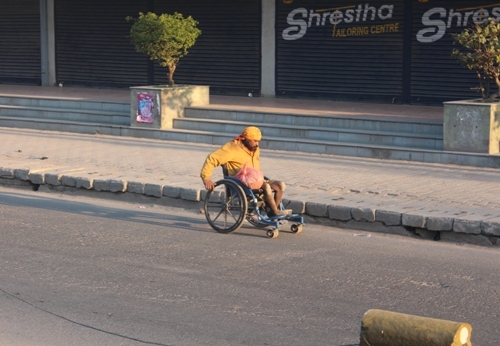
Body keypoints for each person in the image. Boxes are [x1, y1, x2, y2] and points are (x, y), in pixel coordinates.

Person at [200, 126, 292, 217]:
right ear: (246, 139)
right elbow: (212, 158)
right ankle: (275, 212)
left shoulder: (254, 149)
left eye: (258, 141)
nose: (257, 144)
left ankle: (272, 211)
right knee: (267, 187)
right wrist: (206, 178)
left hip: (256, 180)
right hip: (241, 181)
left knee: (280, 185)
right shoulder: (232, 148)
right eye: (255, 141)